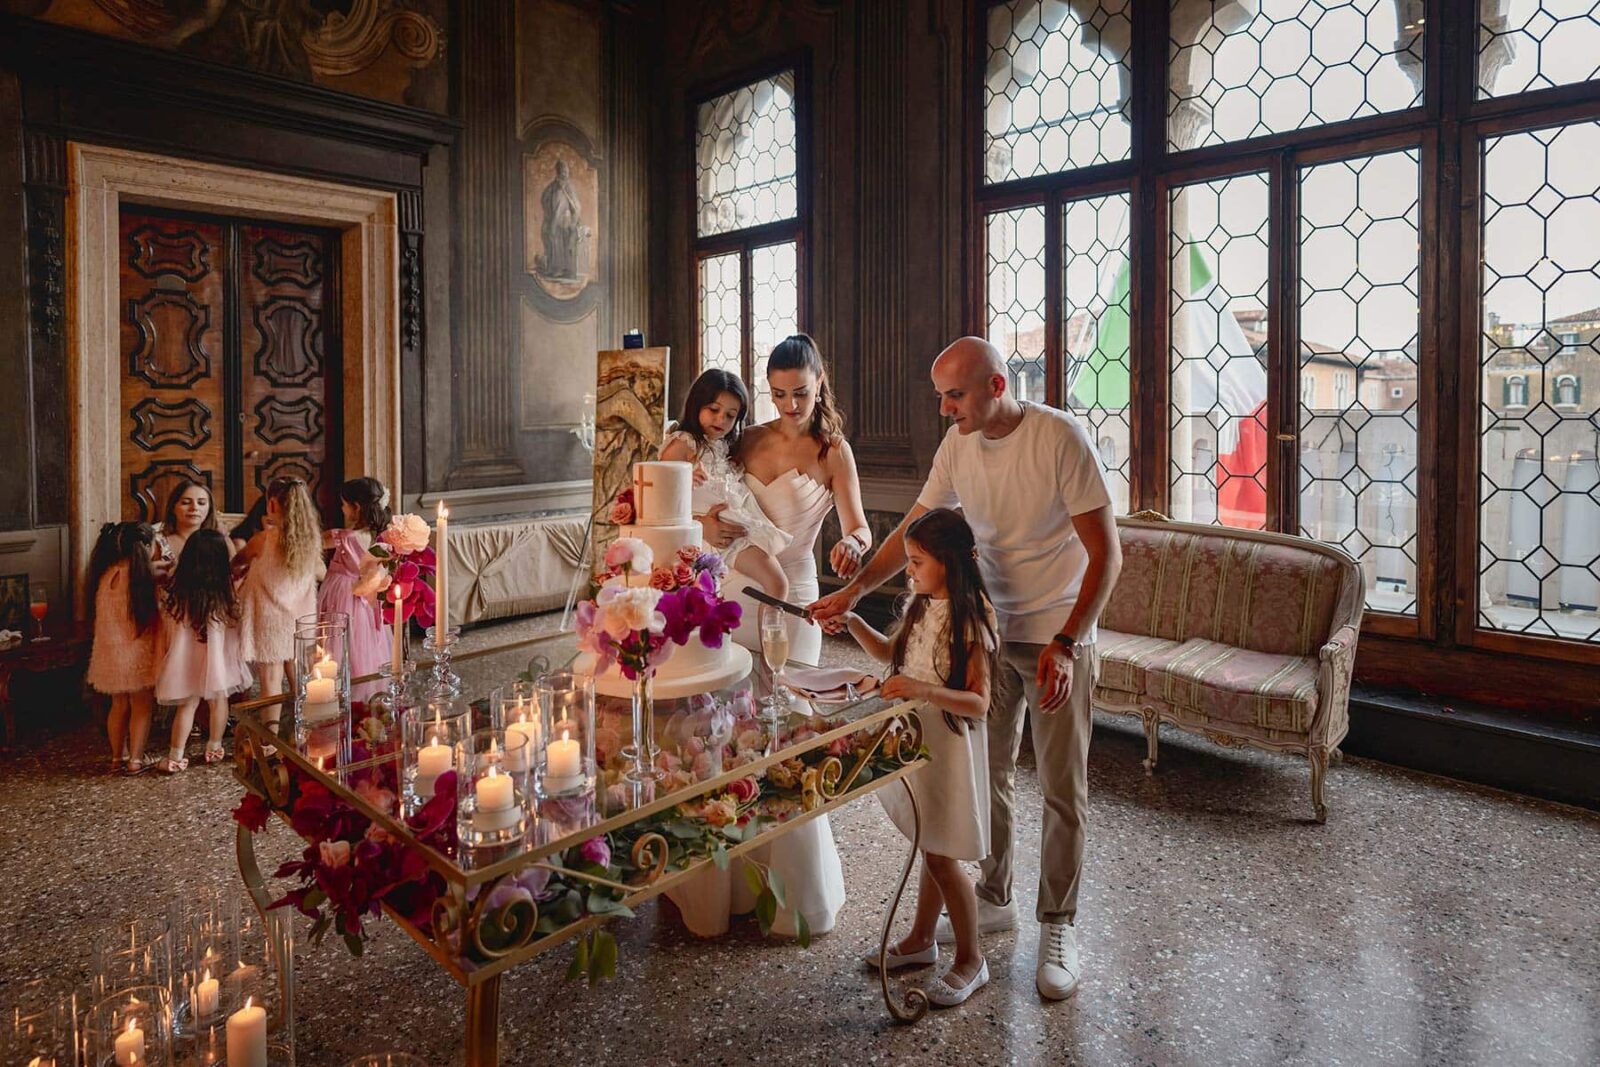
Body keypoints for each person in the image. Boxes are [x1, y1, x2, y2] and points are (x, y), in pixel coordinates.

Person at [811, 336, 1122, 1001]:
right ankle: (995, 894)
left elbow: (1107, 555)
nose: (944, 409)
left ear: (996, 386)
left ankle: (1059, 924)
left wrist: (1068, 643)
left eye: (954, 395)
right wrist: (856, 590)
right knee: (989, 776)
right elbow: (914, 529)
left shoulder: (1059, 439)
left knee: (1062, 788)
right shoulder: (958, 444)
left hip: (1057, 637)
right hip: (986, 633)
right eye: (940, 396)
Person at [677, 333, 872, 939]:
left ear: (820, 384)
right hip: (737, 587)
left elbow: (860, 525)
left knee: (788, 730)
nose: (789, 405)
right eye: (779, 393)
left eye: (800, 394)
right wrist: (704, 525)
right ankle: (731, 888)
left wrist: (852, 543)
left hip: (796, 596)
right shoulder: (747, 438)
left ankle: (795, 896)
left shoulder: (834, 452)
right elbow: (710, 496)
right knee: (730, 727)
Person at [825, 508, 996, 1007]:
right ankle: (922, 939)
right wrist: (853, 622)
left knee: (942, 856)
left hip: (949, 748)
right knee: (930, 841)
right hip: (918, 743)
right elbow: (888, 655)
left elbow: (978, 701)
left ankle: (972, 959)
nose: (909, 571)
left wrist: (922, 689)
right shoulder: (921, 606)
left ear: (948, 561)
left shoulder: (971, 617)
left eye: (917, 561)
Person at [659, 369, 791, 599]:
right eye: (714, 409)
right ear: (697, 405)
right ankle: (771, 624)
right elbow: (662, 503)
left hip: (734, 527)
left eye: (730, 415)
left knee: (778, 584)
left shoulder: (721, 445)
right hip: (709, 533)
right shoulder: (682, 444)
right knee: (777, 583)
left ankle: (771, 623)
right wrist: (686, 485)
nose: (721, 419)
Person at [153, 530, 251, 772]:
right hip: (218, 661)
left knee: (187, 706)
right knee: (219, 701)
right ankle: (214, 747)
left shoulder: (179, 592)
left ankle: (176, 755)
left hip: (186, 660)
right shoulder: (224, 592)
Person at [235, 477, 324, 725]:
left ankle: (270, 737)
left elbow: (237, 562)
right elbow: (320, 573)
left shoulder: (264, 540)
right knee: (299, 674)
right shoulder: (311, 541)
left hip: (270, 619)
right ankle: (306, 725)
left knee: (271, 681)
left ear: (272, 504)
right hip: (300, 618)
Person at [85, 521, 161, 775]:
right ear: (146, 547)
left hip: (109, 653)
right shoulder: (142, 578)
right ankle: (136, 760)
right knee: (142, 707)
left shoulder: (106, 576)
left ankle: (118, 756)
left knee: (118, 706)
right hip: (138, 653)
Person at [318, 477, 393, 702]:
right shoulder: (380, 537)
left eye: (343, 504)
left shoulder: (343, 537)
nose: (342, 509)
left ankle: (342, 694)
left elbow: (310, 543)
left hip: (344, 596)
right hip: (367, 600)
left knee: (341, 643)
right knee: (365, 644)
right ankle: (366, 693)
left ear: (356, 507)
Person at [155, 479, 229, 578]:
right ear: (173, 507)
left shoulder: (221, 540)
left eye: (201, 503)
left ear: (210, 508)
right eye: (185, 502)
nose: (194, 508)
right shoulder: (157, 542)